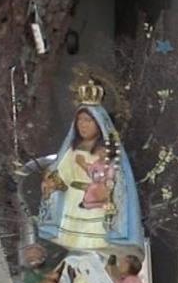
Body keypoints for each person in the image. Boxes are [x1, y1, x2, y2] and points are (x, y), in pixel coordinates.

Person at [37, 87, 144, 254]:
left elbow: (114, 180)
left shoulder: (106, 153)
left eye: (88, 121)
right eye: (80, 120)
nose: (83, 125)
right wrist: (53, 183)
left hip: (96, 207)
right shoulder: (72, 150)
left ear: (99, 123)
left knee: (95, 249)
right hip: (72, 206)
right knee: (75, 250)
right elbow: (63, 175)